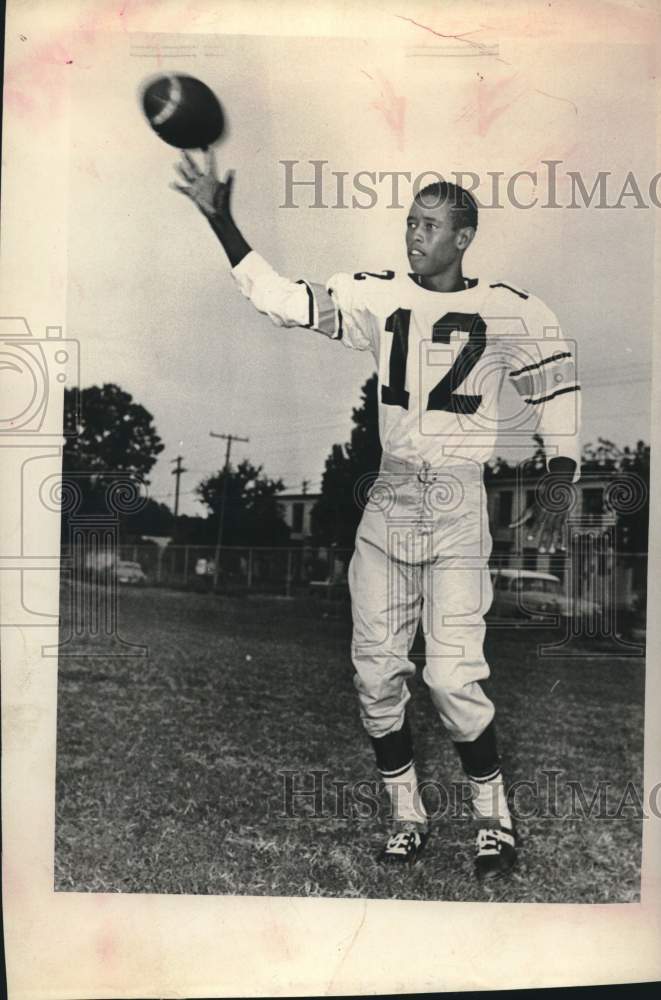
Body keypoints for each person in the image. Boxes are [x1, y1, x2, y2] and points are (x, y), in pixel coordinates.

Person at [172, 150, 581, 880]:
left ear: (463, 238)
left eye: (428, 225)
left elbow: (556, 391)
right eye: (409, 222)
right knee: (374, 676)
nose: (412, 236)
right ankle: (405, 816)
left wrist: (558, 477)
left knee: (452, 678)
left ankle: (494, 823)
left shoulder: (513, 308)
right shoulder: (375, 295)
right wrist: (221, 221)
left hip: (457, 504)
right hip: (389, 503)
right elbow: (283, 300)